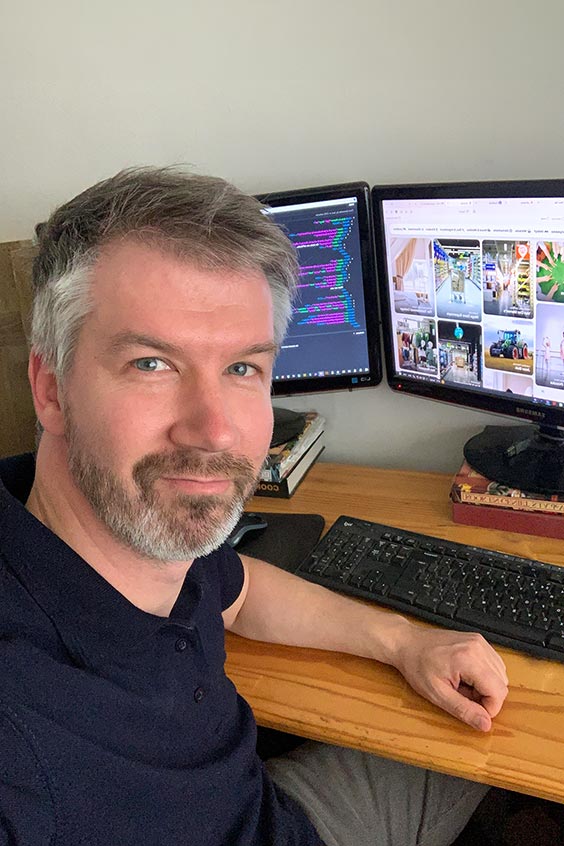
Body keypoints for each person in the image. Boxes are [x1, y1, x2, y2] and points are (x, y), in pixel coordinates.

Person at [0, 167, 508, 846]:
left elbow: (236, 593)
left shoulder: (124, 531)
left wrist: (405, 641)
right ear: (51, 390)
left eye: (242, 368)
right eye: (152, 363)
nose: (214, 431)